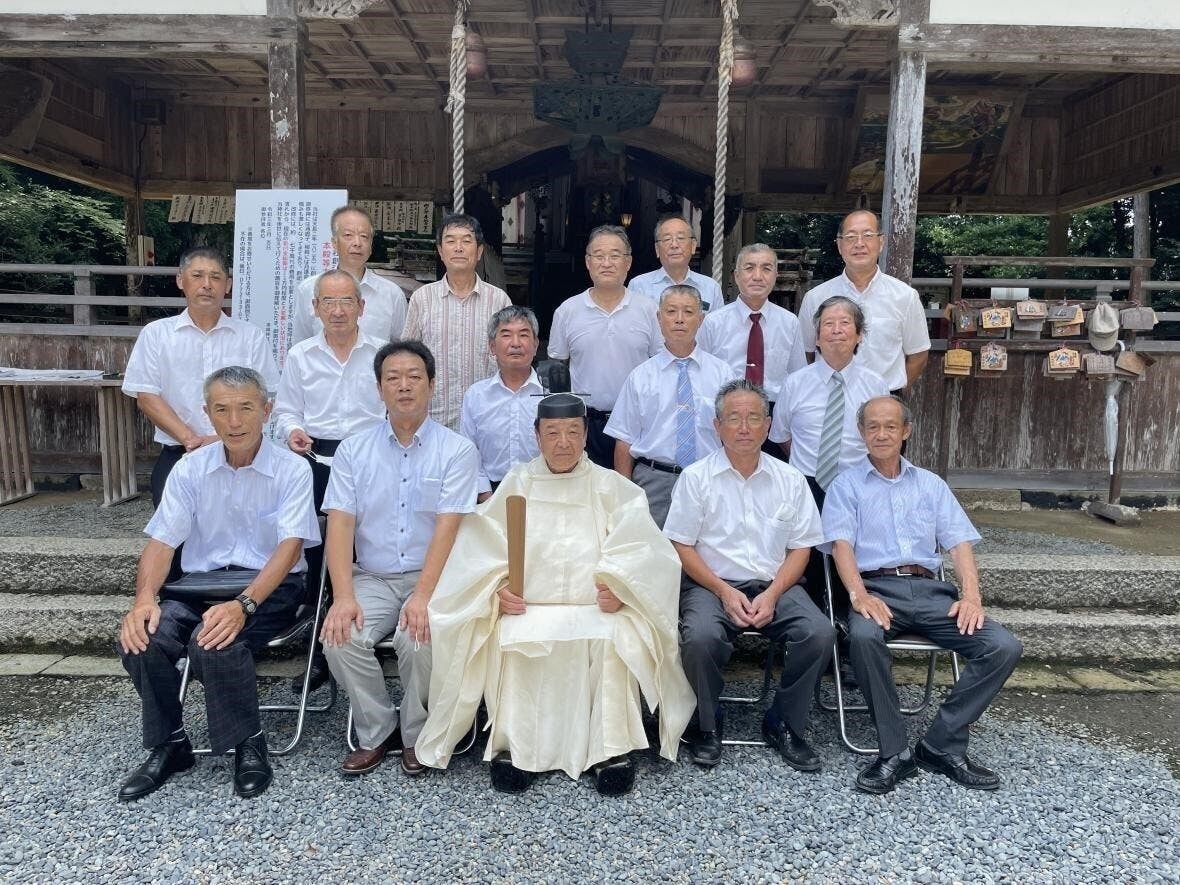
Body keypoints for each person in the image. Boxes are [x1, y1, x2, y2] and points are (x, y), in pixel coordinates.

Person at [416, 393, 695, 796]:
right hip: (528, 607)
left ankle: (609, 750)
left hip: (596, 607)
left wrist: (622, 589)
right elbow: (480, 550)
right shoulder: (517, 484)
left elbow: (644, 549)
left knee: (613, 638)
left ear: (585, 435)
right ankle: (516, 749)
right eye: (552, 433)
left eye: (572, 432)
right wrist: (497, 591)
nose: (563, 442)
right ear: (537, 437)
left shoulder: (611, 486)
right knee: (512, 634)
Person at [116, 366, 320, 801]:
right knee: (141, 639)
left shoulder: (292, 469)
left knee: (213, 641)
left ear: (266, 410)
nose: (234, 421)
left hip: (270, 588)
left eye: (246, 407)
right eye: (222, 409)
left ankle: (248, 742)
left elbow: (290, 549)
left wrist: (244, 605)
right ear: (207, 413)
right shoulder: (190, 469)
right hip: (199, 586)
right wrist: (144, 599)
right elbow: (162, 542)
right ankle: (170, 743)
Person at [822, 395, 1023, 795]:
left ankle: (940, 744)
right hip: (878, 590)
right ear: (861, 433)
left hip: (932, 593)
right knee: (862, 636)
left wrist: (971, 597)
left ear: (906, 431)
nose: (881, 434)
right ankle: (894, 751)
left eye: (890, 426)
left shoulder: (931, 484)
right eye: (873, 427)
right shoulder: (845, 485)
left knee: (1003, 646)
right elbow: (840, 545)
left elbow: (959, 544)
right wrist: (858, 595)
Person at [319, 340, 479, 778]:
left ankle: (417, 733)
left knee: (419, 639)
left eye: (414, 377)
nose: (404, 386)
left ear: (432, 384)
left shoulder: (457, 450)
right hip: (372, 577)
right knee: (339, 637)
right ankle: (377, 729)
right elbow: (340, 525)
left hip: (435, 578)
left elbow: (449, 528)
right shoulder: (353, 451)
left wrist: (423, 596)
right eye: (393, 378)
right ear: (379, 388)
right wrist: (343, 596)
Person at [665, 379, 835, 770]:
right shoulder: (695, 478)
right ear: (717, 426)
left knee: (819, 633)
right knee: (700, 637)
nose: (744, 427)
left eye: (754, 418)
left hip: (776, 583)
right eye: (733, 418)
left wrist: (773, 594)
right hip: (711, 584)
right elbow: (681, 546)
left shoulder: (791, 480)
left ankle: (784, 721)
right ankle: (706, 722)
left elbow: (801, 548)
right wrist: (723, 591)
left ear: (768, 425)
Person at [272, 269, 388, 692]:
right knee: (319, 554)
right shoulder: (300, 355)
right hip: (317, 458)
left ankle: (364, 636)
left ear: (361, 306)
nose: (338, 311)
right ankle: (318, 652)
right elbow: (286, 409)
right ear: (315, 308)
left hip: (372, 459)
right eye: (328, 302)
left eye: (346, 302)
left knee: (366, 550)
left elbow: (395, 406)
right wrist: (292, 431)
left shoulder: (381, 353)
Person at [122, 247, 279, 507]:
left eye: (216, 277)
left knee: (246, 529)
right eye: (197, 276)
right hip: (178, 452)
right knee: (175, 530)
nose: (207, 284)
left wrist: (220, 440)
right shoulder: (156, 334)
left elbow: (266, 397)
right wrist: (191, 440)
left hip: (242, 457)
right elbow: (146, 396)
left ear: (228, 285)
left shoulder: (250, 337)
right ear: (180, 280)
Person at [605, 284, 732, 527]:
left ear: (701, 319)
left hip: (709, 478)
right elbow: (624, 440)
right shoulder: (640, 376)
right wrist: (625, 496)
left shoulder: (722, 374)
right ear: (659, 318)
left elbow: (732, 435)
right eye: (671, 311)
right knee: (652, 547)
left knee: (708, 545)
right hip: (654, 480)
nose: (679, 319)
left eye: (688, 312)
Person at [547, 225, 663, 469]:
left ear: (628, 262)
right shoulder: (568, 311)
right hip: (585, 422)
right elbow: (558, 365)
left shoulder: (649, 310)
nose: (606, 263)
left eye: (615, 256)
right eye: (599, 256)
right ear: (588, 262)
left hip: (637, 423)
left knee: (629, 489)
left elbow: (660, 365)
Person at [797, 210, 930, 393]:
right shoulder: (815, 298)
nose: (859, 244)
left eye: (867, 235)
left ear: (881, 242)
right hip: (829, 398)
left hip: (883, 399)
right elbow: (806, 353)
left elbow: (918, 354)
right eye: (851, 237)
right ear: (839, 245)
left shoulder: (905, 297)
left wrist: (892, 396)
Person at [401, 214, 512, 430]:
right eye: (451, 241)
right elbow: (408, 359)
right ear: (441, 251)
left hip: (487, 419)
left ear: (479, 252)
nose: (459, 248)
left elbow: (508, 360)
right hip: (435, 419)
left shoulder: (499, 300)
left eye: (466, 241)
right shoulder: (422, 299)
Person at [699, 244, 806, 456]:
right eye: (749, 268)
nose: (757, 276)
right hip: (727, 413)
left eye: (766, 268)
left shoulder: (789, 323)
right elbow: (701, 376)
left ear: (775, 275)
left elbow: (798, 378)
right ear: (736, 275)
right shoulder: (713, 323)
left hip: (773, 416)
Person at [459, 305, 545, 503]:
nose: (515, 343)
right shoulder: (476, 396)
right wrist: (486, 496)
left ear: (535, 345)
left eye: (523, 335)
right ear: (492, 346)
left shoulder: (550, 395)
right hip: (489, 493)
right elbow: (469, 452)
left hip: (543, 491)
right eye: (506, 335)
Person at [291, 205, 407, 345]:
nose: (357, 243)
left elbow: (403, 348)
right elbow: (301, 344)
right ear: (334, 243)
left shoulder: (392, 294)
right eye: (348, 235)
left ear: (371, 246)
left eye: (364, 236)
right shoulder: (309, 289)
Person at [628, 215, 722, 311]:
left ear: (693, 245)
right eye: (667, 239)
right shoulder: (639, 286)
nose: (674, 245)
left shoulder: (711, 288)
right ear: (657, 249)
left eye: (680, 238)